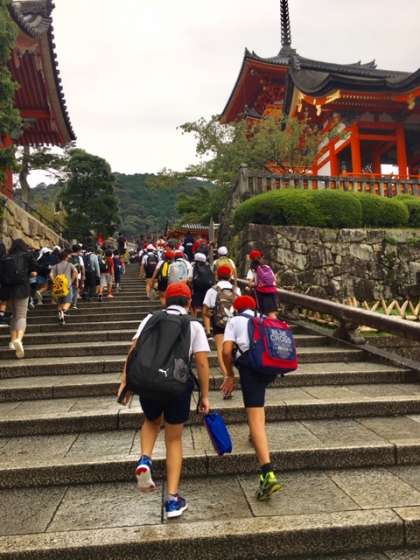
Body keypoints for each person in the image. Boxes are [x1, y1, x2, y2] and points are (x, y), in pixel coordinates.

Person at [117, 282, 210, 519]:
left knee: (151, 421)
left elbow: (133, 349)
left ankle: (145, 459)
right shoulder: (194, 325)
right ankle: (172, 500)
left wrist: (125, 382)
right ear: (189, 302)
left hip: (148, 382)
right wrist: (204, 396)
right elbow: (201, 363)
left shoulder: (150, 318)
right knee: (174, 439)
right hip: (177, 387)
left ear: (165, 300)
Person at [222, 295, 282, 501]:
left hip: (251, 370)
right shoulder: (263, 318)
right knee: (258, 409)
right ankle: (254, 433)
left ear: (236, 308)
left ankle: (267, 473)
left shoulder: (235, 320)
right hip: (268, 368)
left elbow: (226, 351)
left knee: (255, 418)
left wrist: (229, 374)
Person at [0, 239, 37, 358]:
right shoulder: (27, 255)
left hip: (8, 290)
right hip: (22, 289)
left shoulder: (5, 258)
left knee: (14, 315)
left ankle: (12, 341)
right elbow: (34, 273)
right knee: (21, 316)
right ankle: (19, 339)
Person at [203, 265, 240, 375]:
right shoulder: (236, 289)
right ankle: (231, 372)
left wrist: (210, 315)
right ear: (230, 276)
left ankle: (226, 375)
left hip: (219, 323)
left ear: (217, 275)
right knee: (231, 349)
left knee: (220, 349)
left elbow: (205, 310)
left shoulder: (212, 290)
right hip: (234, 323)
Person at [246, 249, 278, 315]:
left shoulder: (252, 270)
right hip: (272, 293)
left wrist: (249, 287)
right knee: (272, 314)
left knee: (259, 313)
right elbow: (275, 280)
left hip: (260, 293)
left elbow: (250, 284)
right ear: (261, 257)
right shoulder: (267, 267)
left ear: (251, 260)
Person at [51, 249, 78, 325]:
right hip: (67, 285)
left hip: (58, 286)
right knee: (68, 301)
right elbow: (75, 272)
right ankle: (63, 311)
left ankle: (61, 315)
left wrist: (54, 281)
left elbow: (50, 274)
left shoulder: (55, 266)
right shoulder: (70, 264)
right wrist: (71, 281)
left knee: (60, 302)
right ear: (66, 257)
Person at [191, 252, 213, 320]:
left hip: (197, 290)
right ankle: (205, 321)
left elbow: (190, 278)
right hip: (207, 290)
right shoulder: (208, 267)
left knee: (195, 306)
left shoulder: (194, 267)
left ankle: (194, 320)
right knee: (205, 306)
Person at [69, 244, 85, 310]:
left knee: (69, 289)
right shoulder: (79, 258)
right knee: (75, 290)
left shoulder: (68, 256)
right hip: (77, 276)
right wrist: (83, 278)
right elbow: (82, 269)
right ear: (78, 250)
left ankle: (67, 304)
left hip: (68, 275)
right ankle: (74, 304)